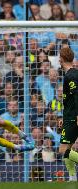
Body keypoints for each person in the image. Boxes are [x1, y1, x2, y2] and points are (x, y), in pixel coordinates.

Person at [58, 47, 78, 181]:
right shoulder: (72, 74)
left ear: (61, 59)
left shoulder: (71, 75)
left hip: (73, 117)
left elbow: (77, 95)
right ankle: (72, 177)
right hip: (69, 116)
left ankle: (72, 176)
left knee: (63, 150)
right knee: (69, 148)